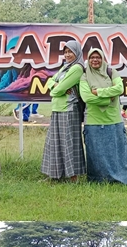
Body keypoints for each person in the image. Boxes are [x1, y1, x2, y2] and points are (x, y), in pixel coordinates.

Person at [80, 48, 127, 186]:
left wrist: (98, 91)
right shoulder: (84, 76)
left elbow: (119, 89)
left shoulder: (111, 72)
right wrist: (108, 99)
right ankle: (98, 181)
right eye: (92, 57)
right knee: (96, 154)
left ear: (103, 58)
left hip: (114, 120)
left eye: (98, 57)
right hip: (93, 121)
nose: (95, 60)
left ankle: (123, 179)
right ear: (88, 59)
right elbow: (86, 97)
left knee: (118, 153)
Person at [41, 39, 86, 183]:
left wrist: (55, 87)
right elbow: (49, 81)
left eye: (70, 52)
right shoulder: (65, 67)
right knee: (55, 142)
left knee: (69, 143)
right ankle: (55, 175)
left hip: (69, 109)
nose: (67, 55)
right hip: (58, 108)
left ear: (77, 52)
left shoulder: (77, 68)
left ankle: (73, 177)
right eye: (65, 52)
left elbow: (58, 89)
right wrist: (55, 85)